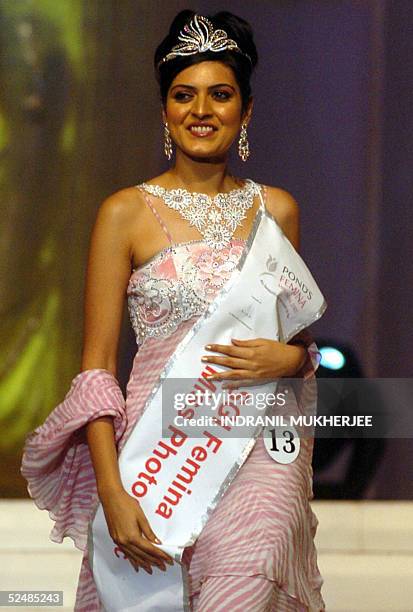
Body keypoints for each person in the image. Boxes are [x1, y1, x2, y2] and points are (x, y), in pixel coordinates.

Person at [21, 10, 327, 611]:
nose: (202, 111)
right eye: (184, 96)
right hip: (161, 453)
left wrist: (291, 360)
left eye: (221, 95)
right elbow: (97, 368)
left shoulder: (278, 211)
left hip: (254, 444)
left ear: (246, 111)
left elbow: (298, 343)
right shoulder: (123, 214)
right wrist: (112, 490)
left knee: (252, 569)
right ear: (165, 111)